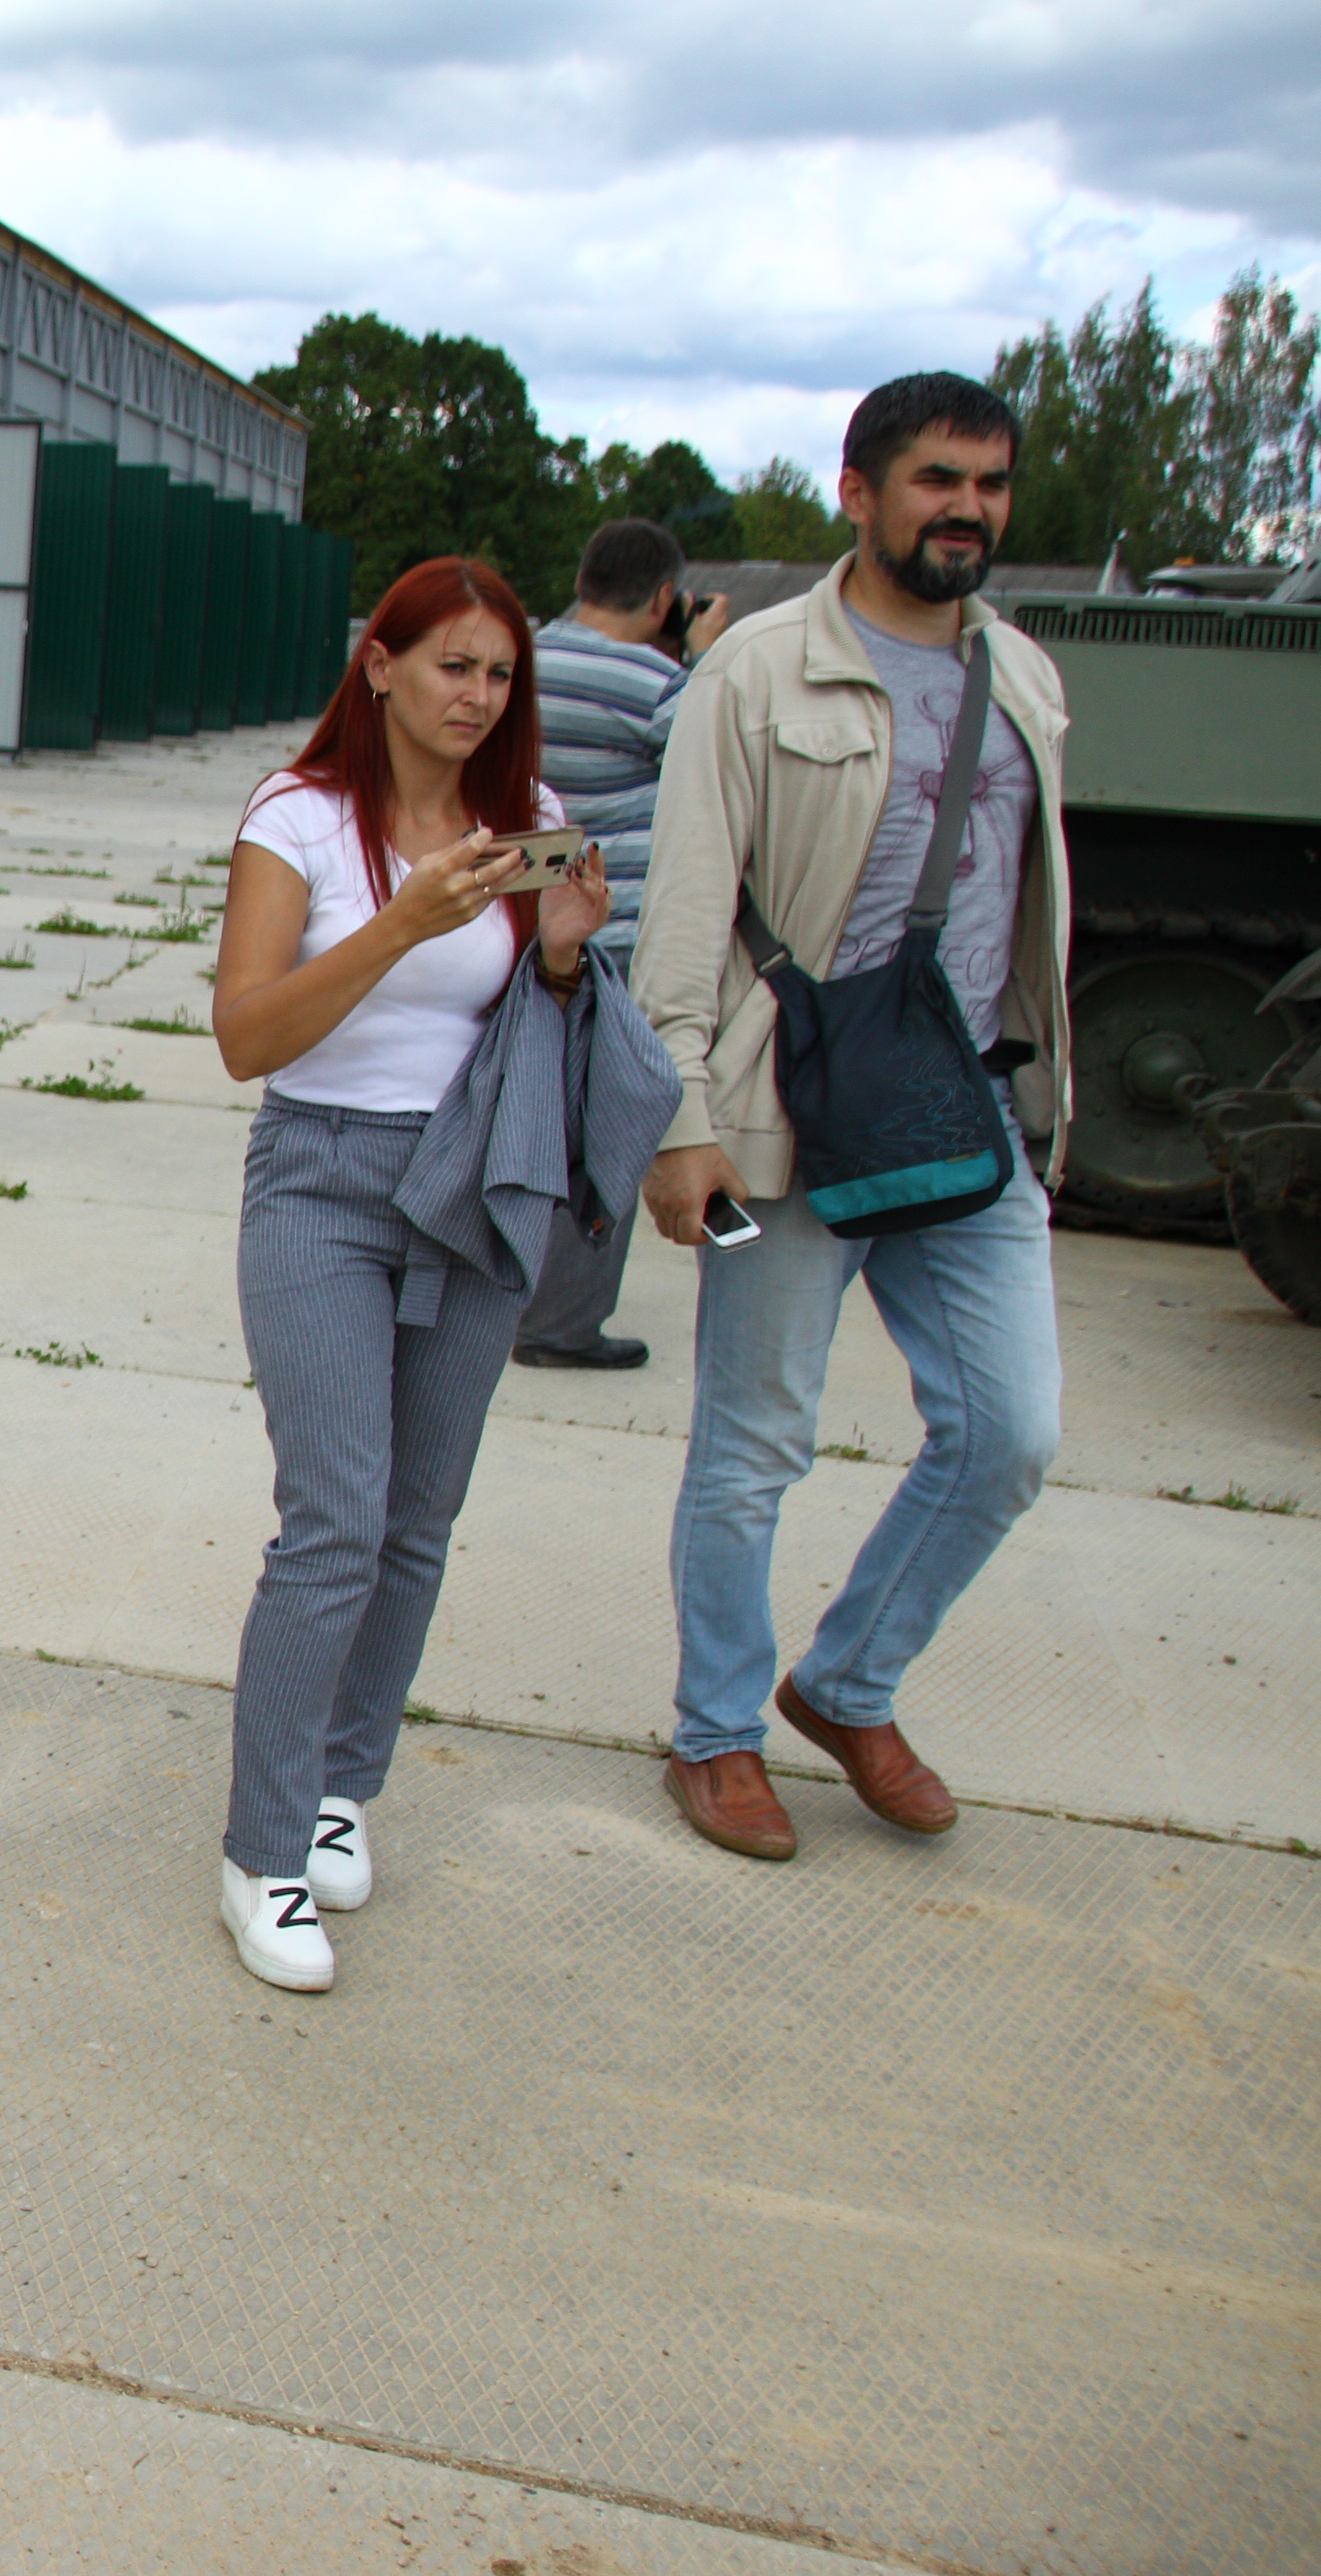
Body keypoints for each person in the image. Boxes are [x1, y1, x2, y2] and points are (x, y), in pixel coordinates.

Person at [632, 372, 1070, 1865]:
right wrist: (675, 1115)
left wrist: (1047, 1103)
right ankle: (716, 1733)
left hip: (963, 1116)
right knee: (753, 1445)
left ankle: (847, 1681)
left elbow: (1026, 911)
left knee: (1011, 1430)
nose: (966, 508)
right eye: (937, 478)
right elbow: (682, 913)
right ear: (858, 491)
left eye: (990, 484)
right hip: (782, 1114)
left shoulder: (1026, 677)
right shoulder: (753, 673)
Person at [206, 557, 607, 1993]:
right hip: (320, 1179)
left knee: (418, 1518)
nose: (475, 696)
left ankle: (337, 1786)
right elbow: (245, 1037)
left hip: (475, 1185)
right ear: (378, 664)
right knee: (334, 1517)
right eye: (450, 664)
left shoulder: (533, 826)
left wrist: (557, 956)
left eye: (498, 673)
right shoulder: (298, 818)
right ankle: (259, 1853)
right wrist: (402, 923)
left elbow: (539, 1021)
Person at [510, 519, 730, 1371]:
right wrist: (701, 662)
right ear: (667, 598)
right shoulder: (659, 681)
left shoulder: (522, 659)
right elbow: (715, 771)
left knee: (520, 1111)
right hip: (613, 933)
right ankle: (563, 1322)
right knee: (606, 1125)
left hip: (521, 917)